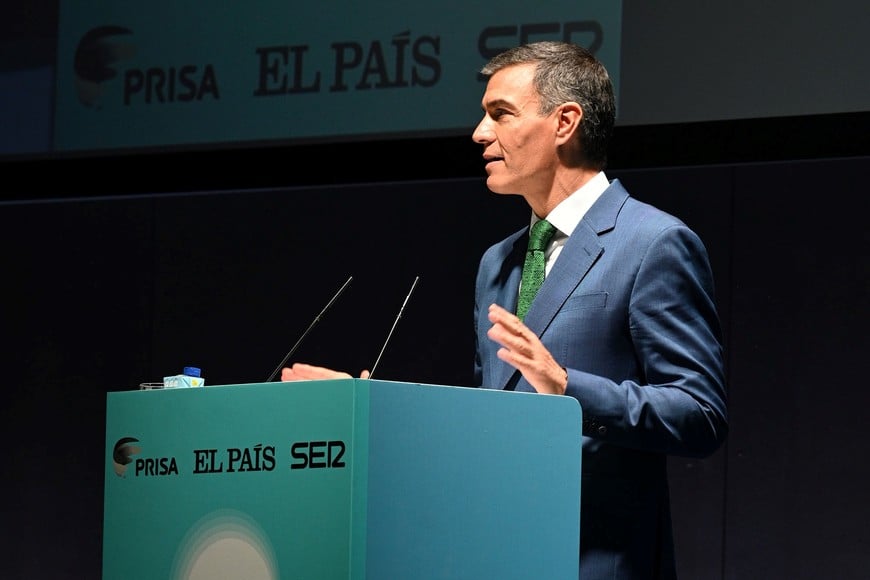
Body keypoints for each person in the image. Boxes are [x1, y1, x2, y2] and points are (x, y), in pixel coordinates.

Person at [283, 40, 728, 580]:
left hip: (596, 563)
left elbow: (700, 414)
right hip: (497, 556)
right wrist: (373, 408)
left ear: (565, 122)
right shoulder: (497, 262)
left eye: (500, 114)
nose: (479, 133)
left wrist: (568, 389)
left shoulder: (653, 242)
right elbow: (488, 423)